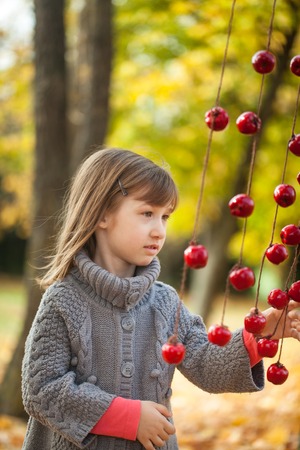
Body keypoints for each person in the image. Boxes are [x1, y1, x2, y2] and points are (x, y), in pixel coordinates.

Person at [21, 147, 300, 450]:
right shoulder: (63, 300)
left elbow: (206, 363)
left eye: (165, 217)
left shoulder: (165, 303)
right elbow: (40, 389)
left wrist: (258, 336)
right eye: (147, 214)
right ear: (101, 214)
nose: (159, 230)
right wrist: (128, 417)